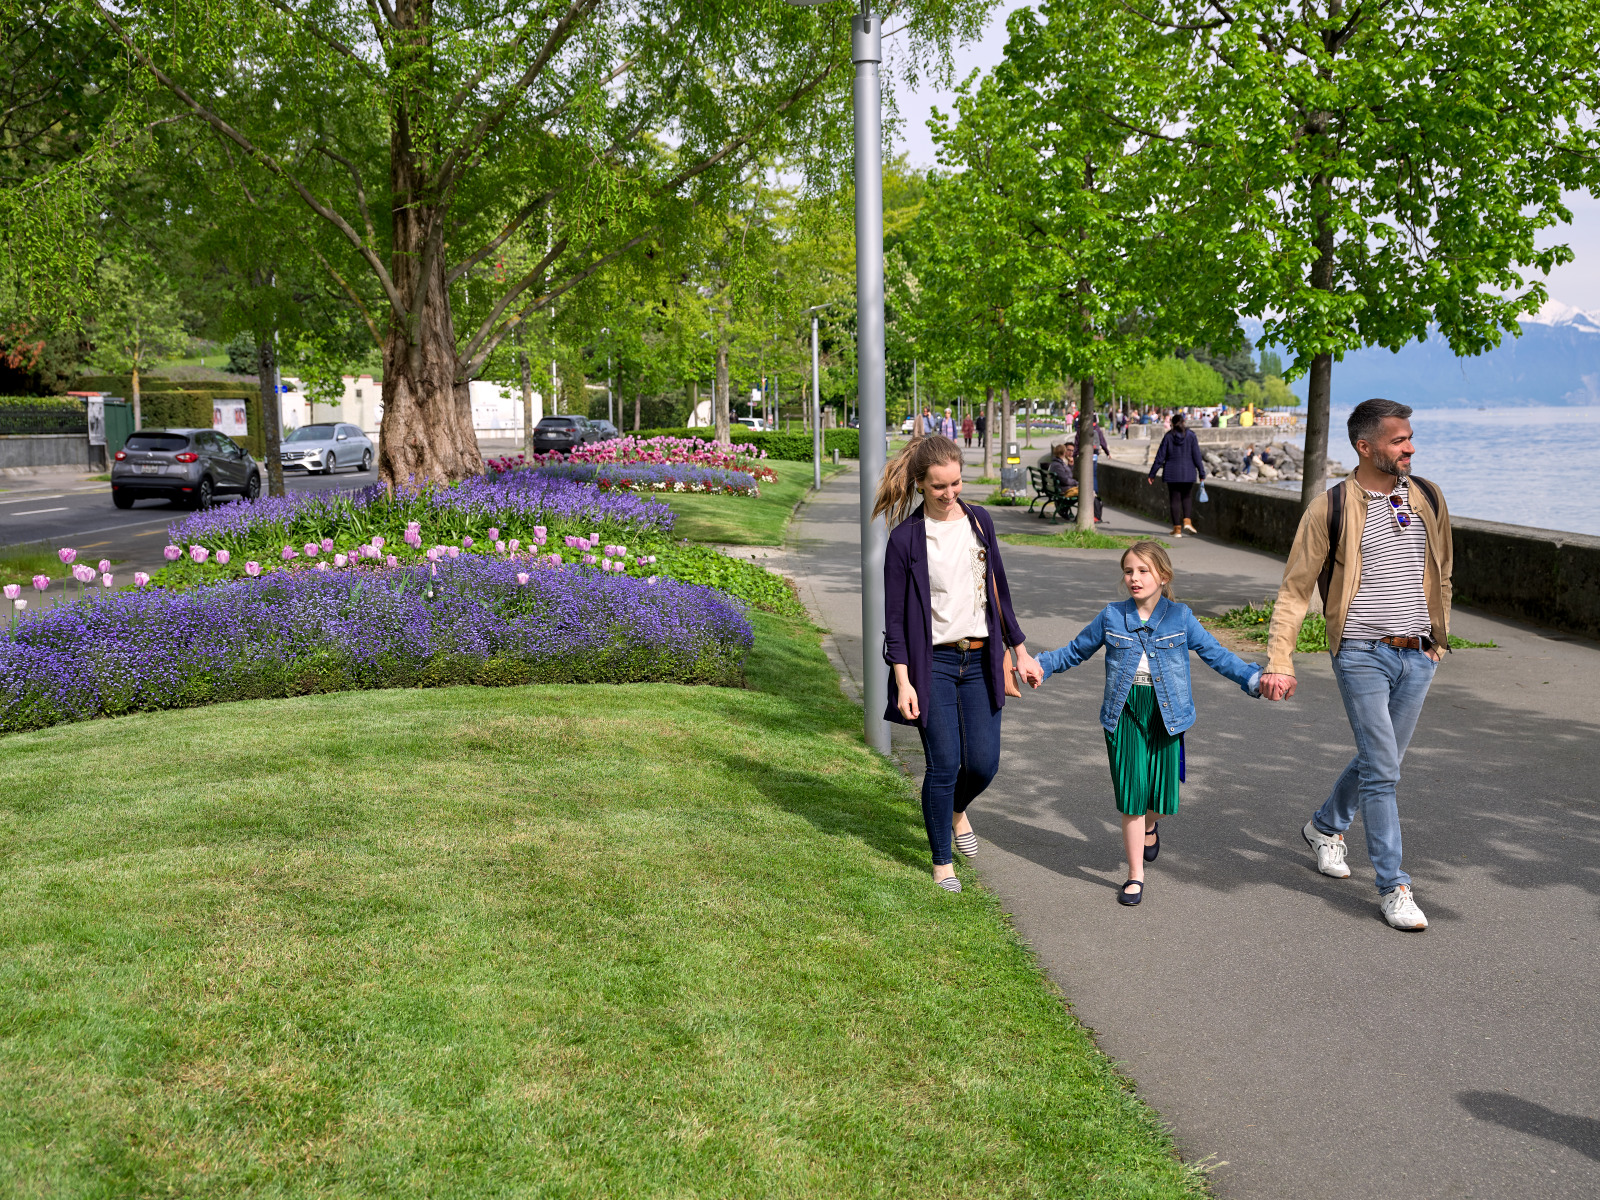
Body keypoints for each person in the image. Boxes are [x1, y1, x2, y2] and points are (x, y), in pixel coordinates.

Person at [1260, 398, 1452, 932]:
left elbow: (1443, 571)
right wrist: (1281, 659)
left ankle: (1325, 827)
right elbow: (1295, 591)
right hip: (1362, 652)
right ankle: (1393, 885)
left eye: (1410, 437)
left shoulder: (1430, 497)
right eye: (1398, 440)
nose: (1410, 447)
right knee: (1385, 768)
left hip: (1419, 653)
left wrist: (1437, 640)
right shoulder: (1331, 508)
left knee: (1379, 759)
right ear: (1365, 447)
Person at [1030, 541, 1266, 905]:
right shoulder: (1111, 616)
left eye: (1143, 571)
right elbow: (1076, 650)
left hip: (1167, 714)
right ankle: (1134, 876)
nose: (1134, 578)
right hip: (1124, 711)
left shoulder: (1180, 617)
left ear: (1163, 576)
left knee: (1162, 797)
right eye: (1129, 571)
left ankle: (1151, 827)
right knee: (1132, 796)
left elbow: (1215, 654)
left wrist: (1253, 679)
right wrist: (1041, 666)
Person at [880, 435, 1043, 893]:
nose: (950, 493)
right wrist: (904, 681)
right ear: (919, 485)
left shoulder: (979, 521)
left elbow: (999, 592)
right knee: (945, 764)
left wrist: (1020, 651)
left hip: (980, 657)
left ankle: (956, 812)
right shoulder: (905, 540)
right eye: (939, 487)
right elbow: (894, 619)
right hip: (932, 662)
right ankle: (941, 863)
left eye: (956, 483)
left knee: (984, 764)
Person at [1149, 412, 1205, 537]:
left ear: (1172, 424)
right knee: (1186, 497)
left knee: (1174, 500)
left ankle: (1177, 529)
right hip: (1188, 472)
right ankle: (1187, 521)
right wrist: (1202, 473)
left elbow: (1160, 457)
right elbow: (1197, 456)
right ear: (1184, 422)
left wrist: (1152, 474)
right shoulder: (1191, 436)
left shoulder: (1168, 436)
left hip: (1172, 472)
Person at [1047, 442, 1103, 521]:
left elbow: (1067, 476)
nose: (1070, 452)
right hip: (1063, 490)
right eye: (1068, 450)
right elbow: (1065, 480)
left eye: (1072, 451)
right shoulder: (1058, 465)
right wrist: (1077, 483)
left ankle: (1093, 516)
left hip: (1060, 488)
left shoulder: (1058, 463)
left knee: (1090, 492)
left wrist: (1070, 465)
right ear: (1064, 452)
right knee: (1088, 493)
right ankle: (1093, 517)